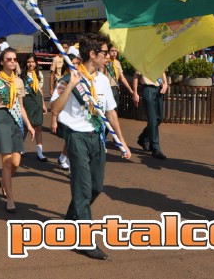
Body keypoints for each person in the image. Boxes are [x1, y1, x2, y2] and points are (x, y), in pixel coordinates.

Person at [50, 33, 130, 260]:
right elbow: (55, 109)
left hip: (98, 137)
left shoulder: (103, 79)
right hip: (77, 138)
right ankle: (85, 240)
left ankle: (70, 219)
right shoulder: (70, 78)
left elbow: (110, 112)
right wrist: (70, 86)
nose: (108, 57)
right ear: (93, 54)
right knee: (83, 190)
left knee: (96, 188)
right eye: (104, 53)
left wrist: (121, 141)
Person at [0, 48, 35, 213]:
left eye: (14, 59)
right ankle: (10, 199)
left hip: (16, 122)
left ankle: (3, 181)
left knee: (16, 163)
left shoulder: (19, 82)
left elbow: (20, 107)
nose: (12, 62)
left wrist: (28, 125)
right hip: (1, 120)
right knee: (6, 162)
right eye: (9, 59)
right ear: (1, 62)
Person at [51, 54, 80, 172]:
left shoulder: (82, 78)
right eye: (73, 63)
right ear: (67, 66)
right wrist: (54, 120)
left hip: (78, 117)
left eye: (77, 63)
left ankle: (63, 158)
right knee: (72, 142)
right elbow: (55, 102)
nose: (76, 65)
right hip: (66, 116)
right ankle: (71, 169)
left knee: (71, 141)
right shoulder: (64, 81)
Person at [132, 70, 168, 159]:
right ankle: (155, 148)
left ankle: (143, 138)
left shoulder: (158, 58)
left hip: (159, 89)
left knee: (159, 118)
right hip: (148, 89)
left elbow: (162, 71)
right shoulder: (143, 59)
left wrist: (165, 83)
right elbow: (136, 76)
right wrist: (135, 92)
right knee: (153, 120)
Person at [20, 53, 48, 162]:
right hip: (27, 101)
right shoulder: (22, 76)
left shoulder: (39, 74)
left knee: (39, 126)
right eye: (29, 62)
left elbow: (40, 90)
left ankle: (40, 152)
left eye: (33, 62)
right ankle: (21, 147)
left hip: (37, 101)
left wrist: (43, 104)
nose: (31, 64)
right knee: (27, 126)